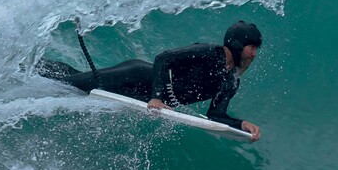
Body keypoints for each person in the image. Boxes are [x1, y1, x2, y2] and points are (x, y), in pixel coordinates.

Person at [38, 20, 263, 141]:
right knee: (70, 83)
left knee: (79, 85)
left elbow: (216, 115)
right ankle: (30, 66)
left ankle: (36, 66)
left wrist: (240, 124)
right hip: (135, 75)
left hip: (142, 96)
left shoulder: (230, 82)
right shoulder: (206, 53)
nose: (253, 54)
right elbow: (163, 59)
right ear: (237, 44)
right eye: (251, 47)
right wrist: (157, 97)